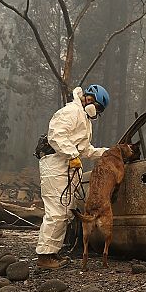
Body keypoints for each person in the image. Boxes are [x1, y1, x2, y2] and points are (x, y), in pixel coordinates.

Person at [36, 84, 110, 269]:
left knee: (64, 210)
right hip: (55, 165)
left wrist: (108, 153)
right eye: (98, 108)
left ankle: (53, 252)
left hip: (64, 166)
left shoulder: (83, 119)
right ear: (90, 100)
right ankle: (45, 257)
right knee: (56, 211)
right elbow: (56, 136)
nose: (96, 113)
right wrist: (71, 155)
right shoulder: (71, 112)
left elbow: (85, 150)